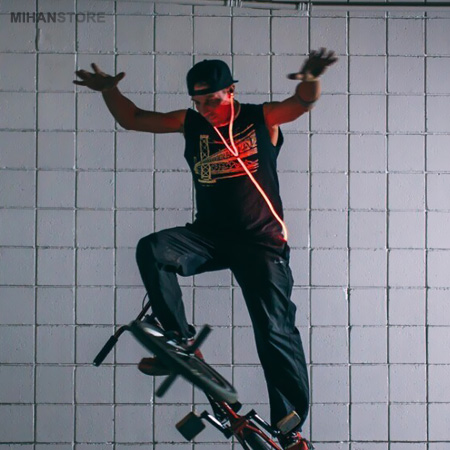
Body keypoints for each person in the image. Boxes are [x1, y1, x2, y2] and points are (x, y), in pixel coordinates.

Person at [74, 48, 337, 450]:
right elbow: (133, 119)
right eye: (199, 102)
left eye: (213, 100)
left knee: (274, 329)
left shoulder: (261, 118)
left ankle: (290, 425)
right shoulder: (191, 123)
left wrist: (311, 79)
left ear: (230, 91)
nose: (206, 110)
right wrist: (110, 91)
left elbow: (302, 103)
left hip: (261, 244)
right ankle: (178, 340)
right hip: (210, 238)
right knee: (154, 249)